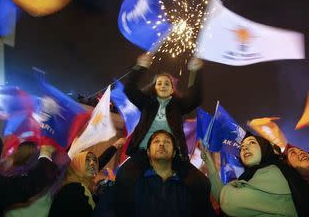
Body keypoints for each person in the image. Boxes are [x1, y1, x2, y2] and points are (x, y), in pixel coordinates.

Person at [114, 53, 211, 217]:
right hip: (144, 152)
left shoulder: (177, 106)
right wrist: (140, 67)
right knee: (124, 176)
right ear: (155, 87)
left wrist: (196, 72)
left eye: (167, 83)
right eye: (160, 83)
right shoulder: (146, 102)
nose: (163, 85)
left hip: (173, 155)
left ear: (172, 89)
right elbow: (129, 89)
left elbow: (196, 97)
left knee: (201, 183)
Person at [201, 134, 309, 217]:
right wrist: (210, 164)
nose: (245, 148)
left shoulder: (275, 171)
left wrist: (234, 184)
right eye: (242, 147)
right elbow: (223, 197)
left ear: (264, 148)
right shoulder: (253, 175)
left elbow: (229, 203)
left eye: (252, 142)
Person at [134, 130, 208, 217]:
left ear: (174, 153)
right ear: (148, 152)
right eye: (156, 141)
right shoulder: (136, 184)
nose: (161, 144)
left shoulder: (185, 189)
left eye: (167, 142)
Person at [48, 138, 125, 217]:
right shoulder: (73, 189)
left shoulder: (84, 189)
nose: (92, 163)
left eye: (95, 160)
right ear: (77, 165)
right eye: (87, 160)